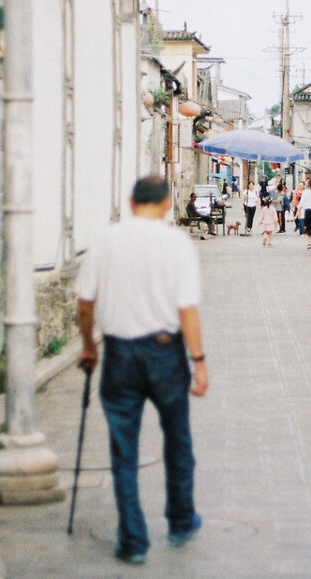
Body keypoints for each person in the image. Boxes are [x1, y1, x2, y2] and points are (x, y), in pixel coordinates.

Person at [76, 176, 208, 565]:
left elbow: (85, 302)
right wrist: (198, 363)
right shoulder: (177, 243)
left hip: (118, 355)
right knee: (178, 439)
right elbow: (187, 310)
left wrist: (88, 346)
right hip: (165, 355)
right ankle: (182, 519)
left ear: (132, 203)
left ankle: (133, 540)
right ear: (167, 203)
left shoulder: (105, 240)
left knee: (124, 448)